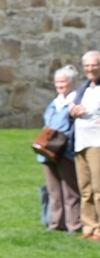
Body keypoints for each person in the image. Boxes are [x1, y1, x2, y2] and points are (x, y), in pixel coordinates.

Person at [47, 62, 86, 234]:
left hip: (65, 149)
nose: (60, 86)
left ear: (72, 82)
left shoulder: (75, 101)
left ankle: (74, 224)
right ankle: (56, 223)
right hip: (47, 149)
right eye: (57, 82)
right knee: (53, 190)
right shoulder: (55, 102)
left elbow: (62, 125)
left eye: (63, 82)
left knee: (70, 190)